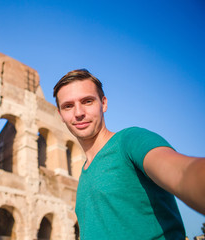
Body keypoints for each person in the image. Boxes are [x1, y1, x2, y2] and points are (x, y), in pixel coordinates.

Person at [53, 69, 205, 239]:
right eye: (68, 106)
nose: (79, 113)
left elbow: (184, 172)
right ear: (60, 115)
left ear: (103, 103)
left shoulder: (130, 141)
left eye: (87, 101)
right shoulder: (85, 173)